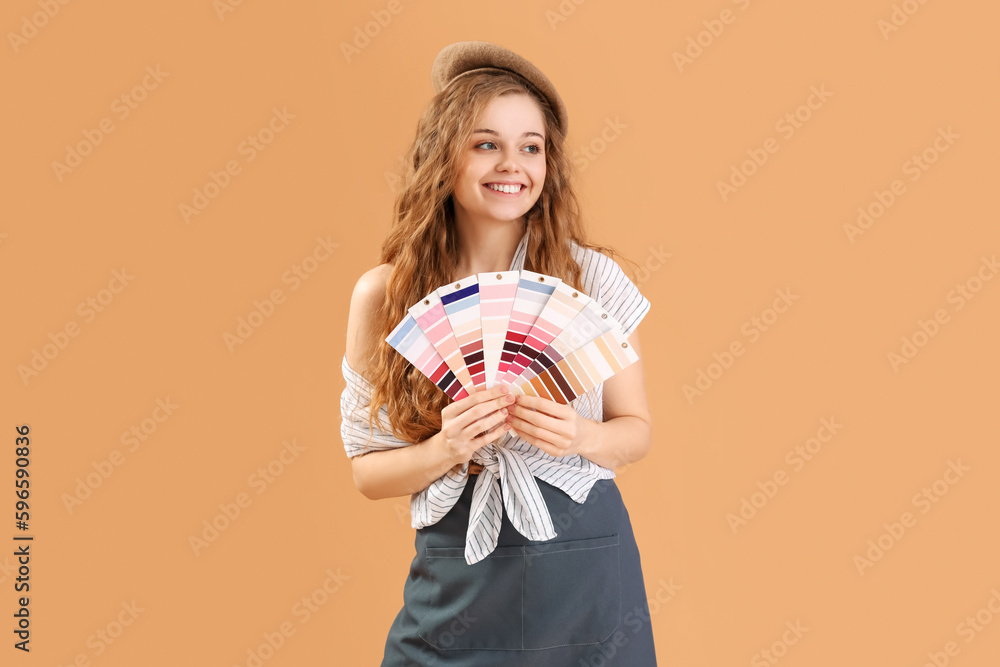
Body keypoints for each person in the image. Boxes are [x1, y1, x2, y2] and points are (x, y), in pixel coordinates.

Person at [341, 40, 658, 666]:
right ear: (443, 156)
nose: (511, 164)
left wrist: (580, 436)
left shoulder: (589, 281)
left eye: (530, 147)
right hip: (456, 579)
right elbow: (366, 473)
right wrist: (444, 449)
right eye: (486, 143)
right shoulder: (386, 294)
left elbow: (636, 430)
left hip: (586, 568)